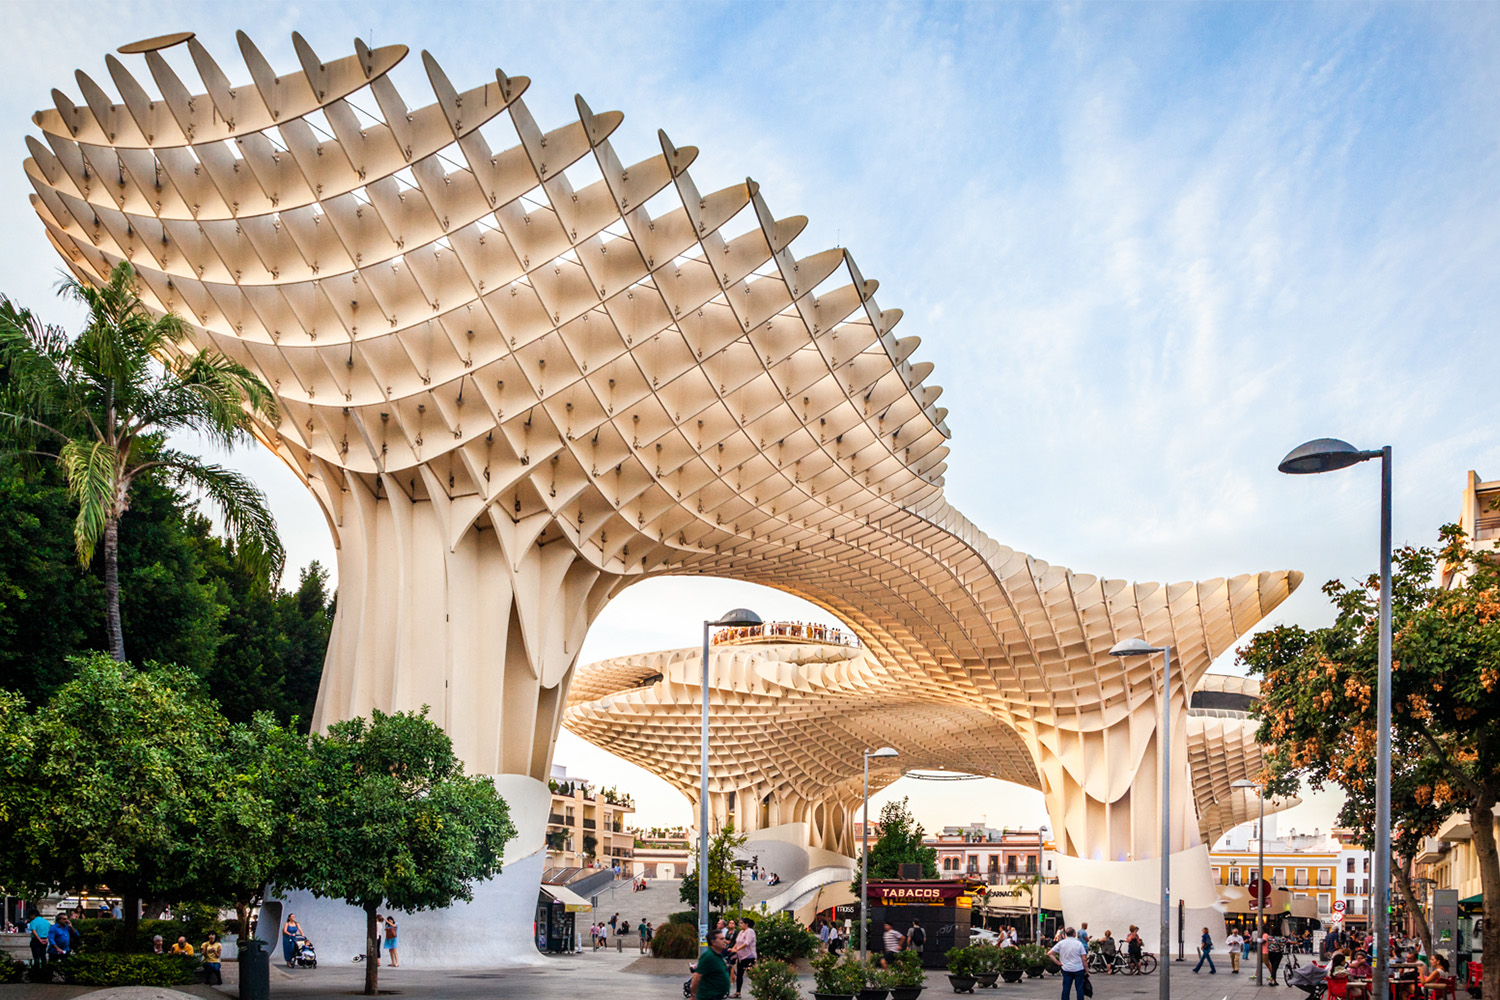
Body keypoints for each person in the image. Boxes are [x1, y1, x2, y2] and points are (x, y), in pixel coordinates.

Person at [689, 927, 732, 1000]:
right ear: (713, 942)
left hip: (718, 996)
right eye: (721, 939)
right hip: (708, 996)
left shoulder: (719, 955)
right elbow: (697, 976)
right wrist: (693, 995)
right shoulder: (708, 956)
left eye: (724, 938)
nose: (724, 941)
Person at [1048, 926, 1088, 1000]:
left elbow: (1050, 953)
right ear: (1074, 934)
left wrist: (1058, 963)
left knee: (1066, 988)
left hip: (1066, 968)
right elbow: (1084, 958)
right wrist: (1086, 970)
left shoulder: (1061, 943)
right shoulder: (1079, 944)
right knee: (1079, 988)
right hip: (1078, 968)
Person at [729, 917, 756, 998]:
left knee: (752, 975)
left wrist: (737, 949)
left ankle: (761, 990)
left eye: (741, 923)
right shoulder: (741, 932)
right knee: (740, 974)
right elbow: (737, 942)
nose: (740, 925)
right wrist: (733, 949)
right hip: (741, 957)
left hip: (749, 957)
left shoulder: (750, 931)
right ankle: (738, 992)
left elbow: (746, 943)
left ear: (746, 924)